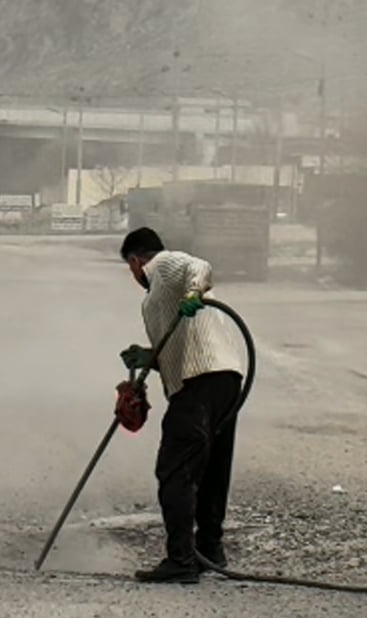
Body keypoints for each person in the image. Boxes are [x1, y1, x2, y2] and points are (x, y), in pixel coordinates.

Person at [118, 227, 245, 584]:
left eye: (130, 269)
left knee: (174, 469)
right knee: (211, 468)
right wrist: (151, 358)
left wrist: (192, 294)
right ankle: (210, 550)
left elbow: (199, 267)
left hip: (199, 382)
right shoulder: (157, 298)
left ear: (134, 261)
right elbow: (178, 345)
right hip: (223, 378)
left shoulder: (163, 265)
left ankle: (181, 561)